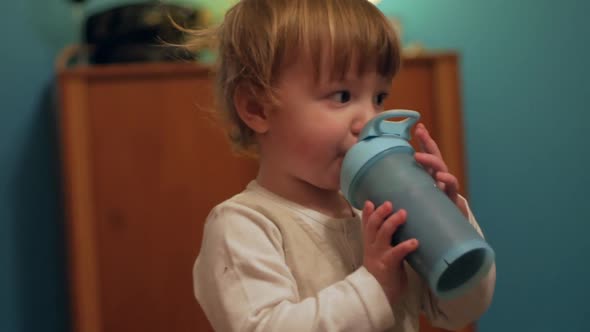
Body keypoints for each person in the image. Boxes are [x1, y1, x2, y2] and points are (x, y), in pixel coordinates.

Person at [187, 0, 496, 331]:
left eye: (378, 97)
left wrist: (450, 224)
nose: (369, 120)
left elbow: (459, 310)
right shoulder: (243, 227)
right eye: (343, 96)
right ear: (257, 108)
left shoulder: (379, 211)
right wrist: (373, 285)